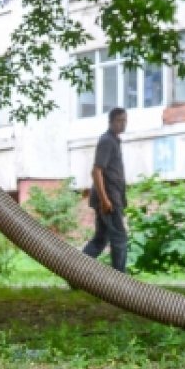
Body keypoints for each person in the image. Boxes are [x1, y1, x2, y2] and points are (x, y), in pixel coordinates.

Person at [82, 107, 129, 273]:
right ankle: (120, 281)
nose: (123, 124)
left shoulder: (114, 140)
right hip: (108, 200)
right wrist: (105, 200)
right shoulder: (107, 141)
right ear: (111, 122)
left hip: (112, 198)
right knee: (119, 239)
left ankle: (75, 272)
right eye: (119, 121)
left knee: (100, 239)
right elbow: (96, 171)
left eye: (125, 120)